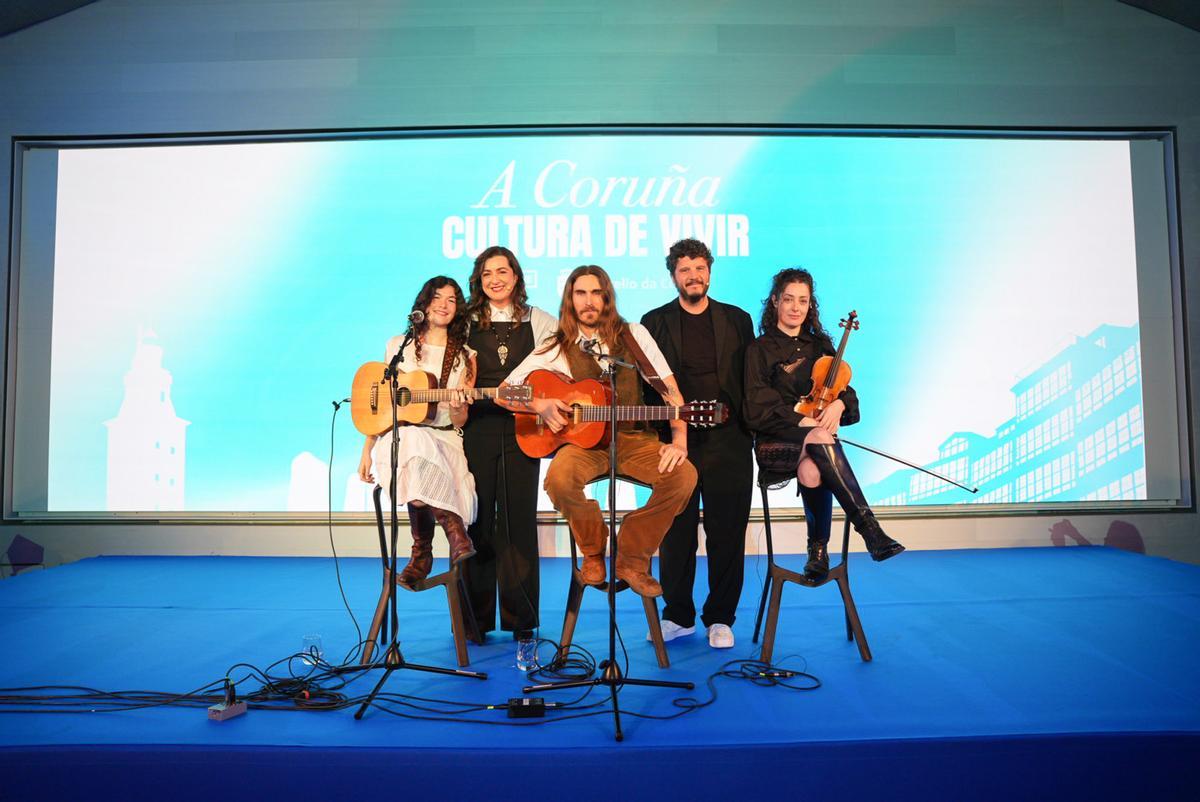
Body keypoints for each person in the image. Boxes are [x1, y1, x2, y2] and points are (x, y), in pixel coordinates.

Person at [502, 265, 697, 597]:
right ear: (570, 299)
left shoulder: (634, 335)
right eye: (581, 293)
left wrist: (680, 440)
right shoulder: (556, 345)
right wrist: (540, 406)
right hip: (583, 446)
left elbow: (670, 392)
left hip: (634, 439)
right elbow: (505, 391)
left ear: (607, 297)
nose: (589, 301)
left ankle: (632, 558)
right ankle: (593, 550)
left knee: (684, 476)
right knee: (559, 480)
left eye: (596, 293)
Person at [743, 268, 904, 580]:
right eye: (788, 299)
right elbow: (754, 407)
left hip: (814, 448)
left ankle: (817, 551)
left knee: (813, 469)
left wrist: (840, 403)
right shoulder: (759, 349)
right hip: (774, 443)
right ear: (775, 301)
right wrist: (800, 419)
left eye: (802, 301)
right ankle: (869, 528)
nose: (795, 307)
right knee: (817, 436)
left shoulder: (820, 347)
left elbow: (846, 392)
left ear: (810, 305)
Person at [640, 238, 754, 650]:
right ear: (673, 275)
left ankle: (721, 617)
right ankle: (678, 615)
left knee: (727, 532)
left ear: (710, 272)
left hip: (730, 442)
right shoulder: (653, 322)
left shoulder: (738, 321)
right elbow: (646, 388)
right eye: (684, 269)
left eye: (699, 268)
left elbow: (749, 383)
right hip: (674, 443)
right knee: (675, 532)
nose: (693, 276)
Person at [461, 246, 556, 651]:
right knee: (477, 521)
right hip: (479, 428)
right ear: (479, 282)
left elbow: (555, 370)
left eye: (502, 271)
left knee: (519, 521)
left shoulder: (541, 320)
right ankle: (474, 621)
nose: (495, 279)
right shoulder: (464, 324)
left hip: (524, 429)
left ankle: (522, 619)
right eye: (486, 274)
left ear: (516, 276)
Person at [357, 277, 478, 586]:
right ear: (423, 303)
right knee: (411, 436)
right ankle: (452, 532)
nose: (443, 304)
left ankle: (421, 552)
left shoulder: (464, 355)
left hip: (444, 439)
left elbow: (461, 421)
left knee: (420, 442)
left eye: (452, 300)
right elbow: (383, 403)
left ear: (458, 309)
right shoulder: (399, 345)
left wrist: (458, 406)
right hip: (399, 441)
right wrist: (367, 449)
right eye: (437, 297)